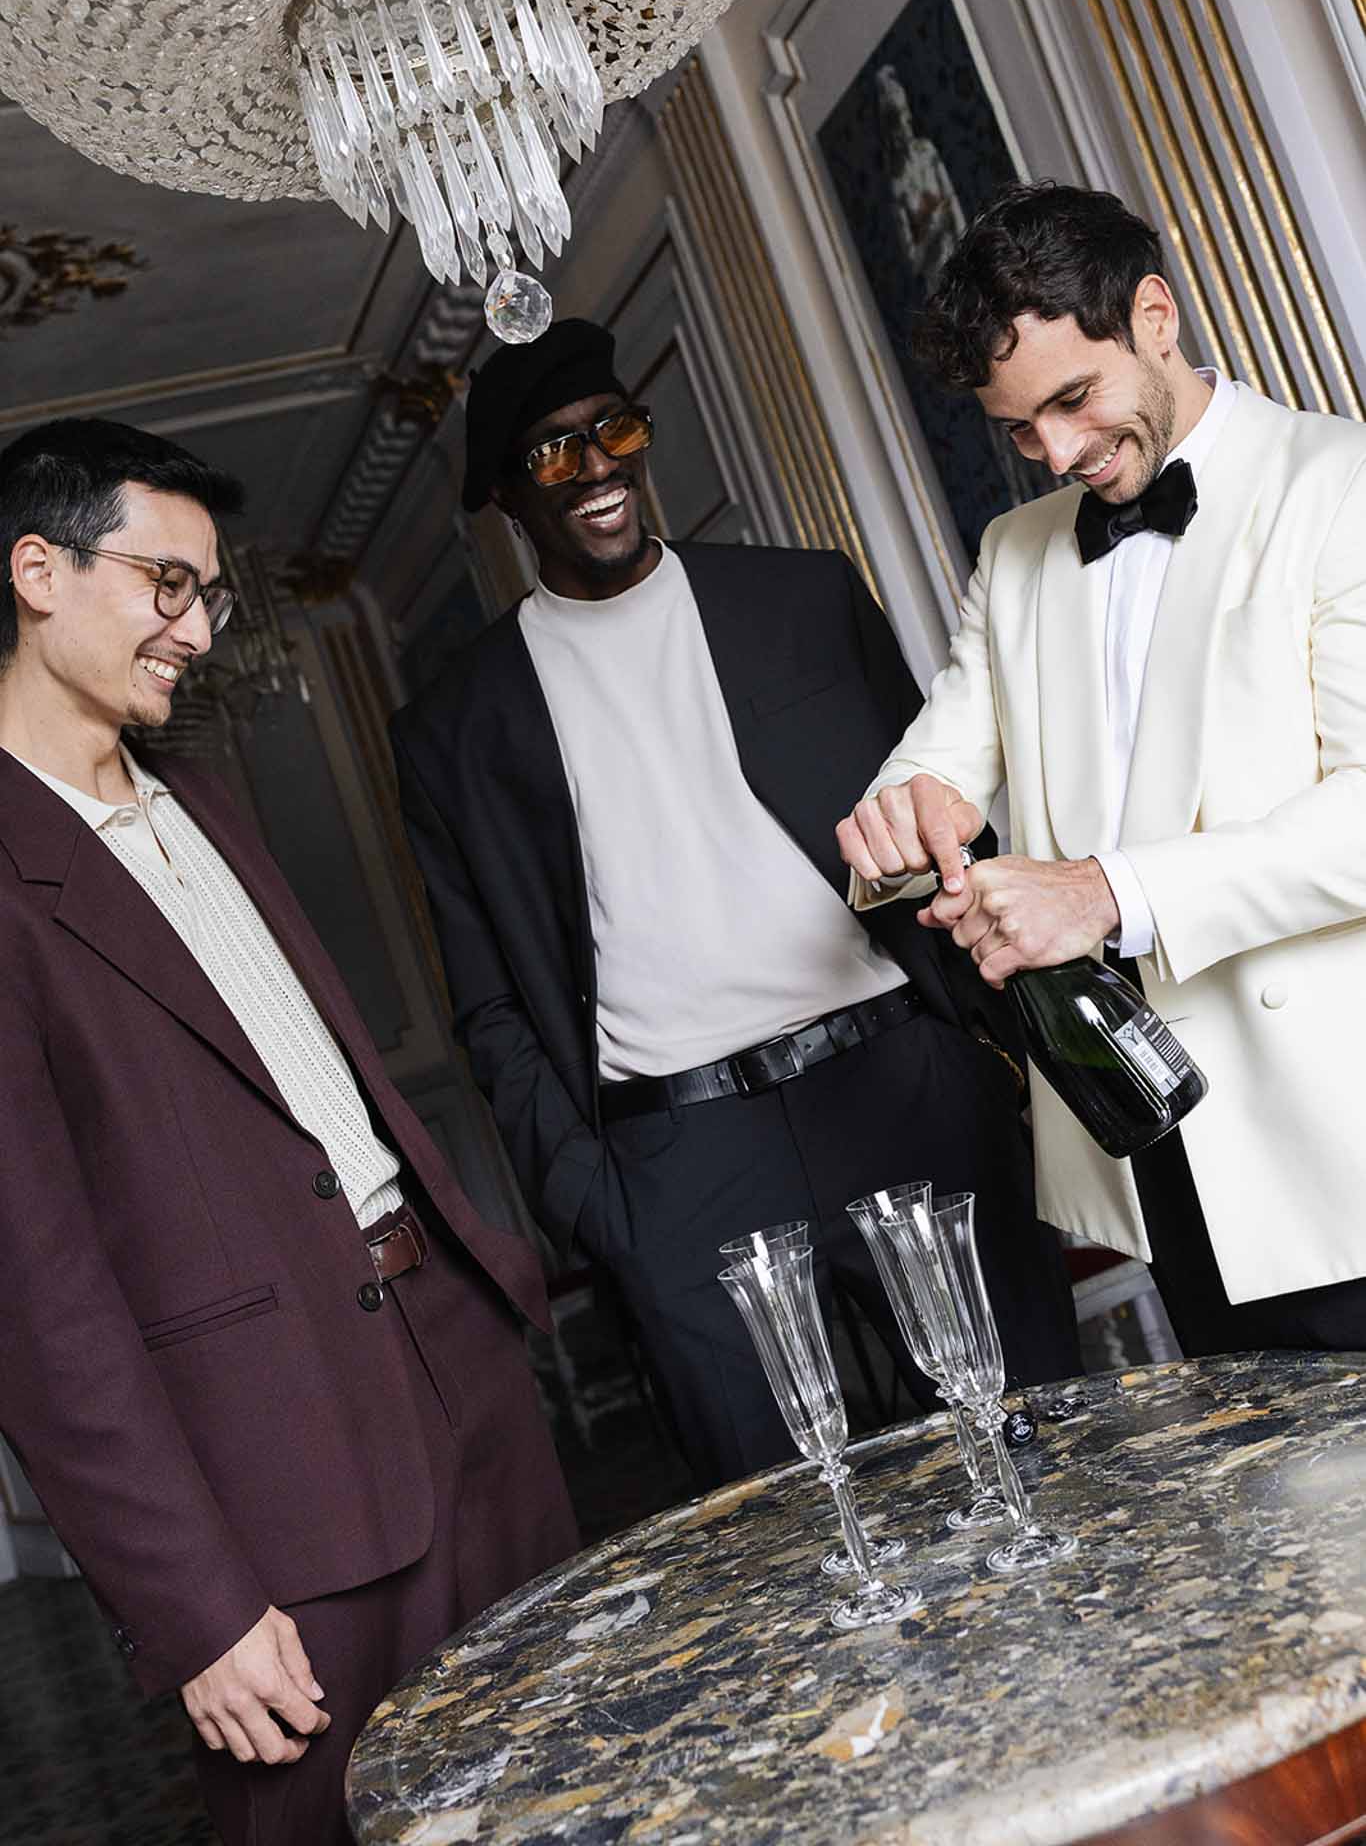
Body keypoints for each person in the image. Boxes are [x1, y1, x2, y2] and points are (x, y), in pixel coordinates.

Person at [0, 418, 576, 1846]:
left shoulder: (198, 795)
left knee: (575, 1778)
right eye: (167, 585)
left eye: (208, 593)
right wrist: (191, 1608)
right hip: (277, 1489)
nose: (196, 631)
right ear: (36, 572)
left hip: (460, 1371)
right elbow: (38, 1304)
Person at [389, 318, 1079, 1491]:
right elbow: (490, 999)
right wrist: (596, 1200)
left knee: (1027, 1443)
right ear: (507, 495)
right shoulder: (455, 725)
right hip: (678, 1155)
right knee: (782, 1525)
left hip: (897, 1085)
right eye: (554, 453)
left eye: (615, 429)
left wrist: (985, 1054)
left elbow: (943, 816)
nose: (597, 466)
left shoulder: (800, 598)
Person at [838, 180, 1366, 1359]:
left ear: (1156, 316)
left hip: (1343, 1128)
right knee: (1272, 1527)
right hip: (1153, 1136)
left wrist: (1101, 891)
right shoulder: (1014, 552)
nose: (1059, 452)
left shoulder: (1339, 484)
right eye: (1020, 429)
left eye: (1074, 399)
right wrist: (901, 816)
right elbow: (942, 753)